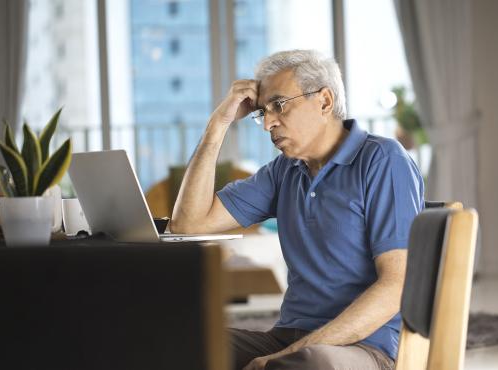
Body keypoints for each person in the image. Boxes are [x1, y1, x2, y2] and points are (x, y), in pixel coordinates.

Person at [171, 49, 424, 370]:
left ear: (324, 101)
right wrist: (218, 124)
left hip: (364, 348)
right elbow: (187, 225)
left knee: (312, 363)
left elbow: (396, 286)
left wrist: (287, 357)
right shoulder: (283, 171)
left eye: (278, 105)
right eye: (263, 111)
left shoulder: (382, 159)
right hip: (289, 338)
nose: (268, 124)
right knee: (183, 342)